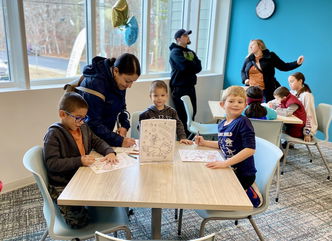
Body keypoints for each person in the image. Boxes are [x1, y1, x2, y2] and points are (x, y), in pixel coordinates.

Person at [43, 92, 118, 228]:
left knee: (111, 193)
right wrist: (79, 161)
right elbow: (52, 164)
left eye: (84, 118)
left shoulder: (83, 128)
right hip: (63, 184)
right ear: (62, 114)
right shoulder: (54, 134)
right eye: (78, 118)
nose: (82, 122)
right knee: (79, 223)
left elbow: (98, 142)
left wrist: (109, 151)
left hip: (81, 175)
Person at [194, 86, 261, 208]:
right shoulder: (222, 124)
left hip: (243, 174)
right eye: (231, 101)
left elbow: (250, 149)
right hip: (230, 167)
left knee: (214, 190)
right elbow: (224, 143)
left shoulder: (243, 122)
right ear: (222, 104)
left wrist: (226, 163)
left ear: (245, 105)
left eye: (240, 102)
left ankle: (250, 193)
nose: (236, 104)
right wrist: (204, 143)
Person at [79, 53, 141, 147]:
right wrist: (119, 140)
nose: (129, 86)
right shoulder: (94, 84)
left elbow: (122, 107)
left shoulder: (118, 82)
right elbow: (93, 123)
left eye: (132, 82)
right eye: (127, 81)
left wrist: (124, 125)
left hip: (102, 138)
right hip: (86, 139)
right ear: (116, 71)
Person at [169, 29, 202, 136]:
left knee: (192, 113)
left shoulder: (190, 52)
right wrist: (192, 64)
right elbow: (184, 67)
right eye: (185, 35)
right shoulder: (175, 52)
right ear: (178, 39)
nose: (187, 36)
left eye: (187, 35)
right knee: (183, 115)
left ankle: (189, 137)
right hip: (179, 88)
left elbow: (198, 67)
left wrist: (191, 64)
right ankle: (183, 138)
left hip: (190, 87)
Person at [139, 80, 193, 144]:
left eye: (162, 95)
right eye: (156, 95)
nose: (159, 98)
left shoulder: (172, 112)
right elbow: (141, 129)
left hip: (169, 142)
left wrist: (182, 137)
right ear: (151, 97)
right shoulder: (146, 114)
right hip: (152, 143)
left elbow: (179, 125)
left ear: (167, 96)